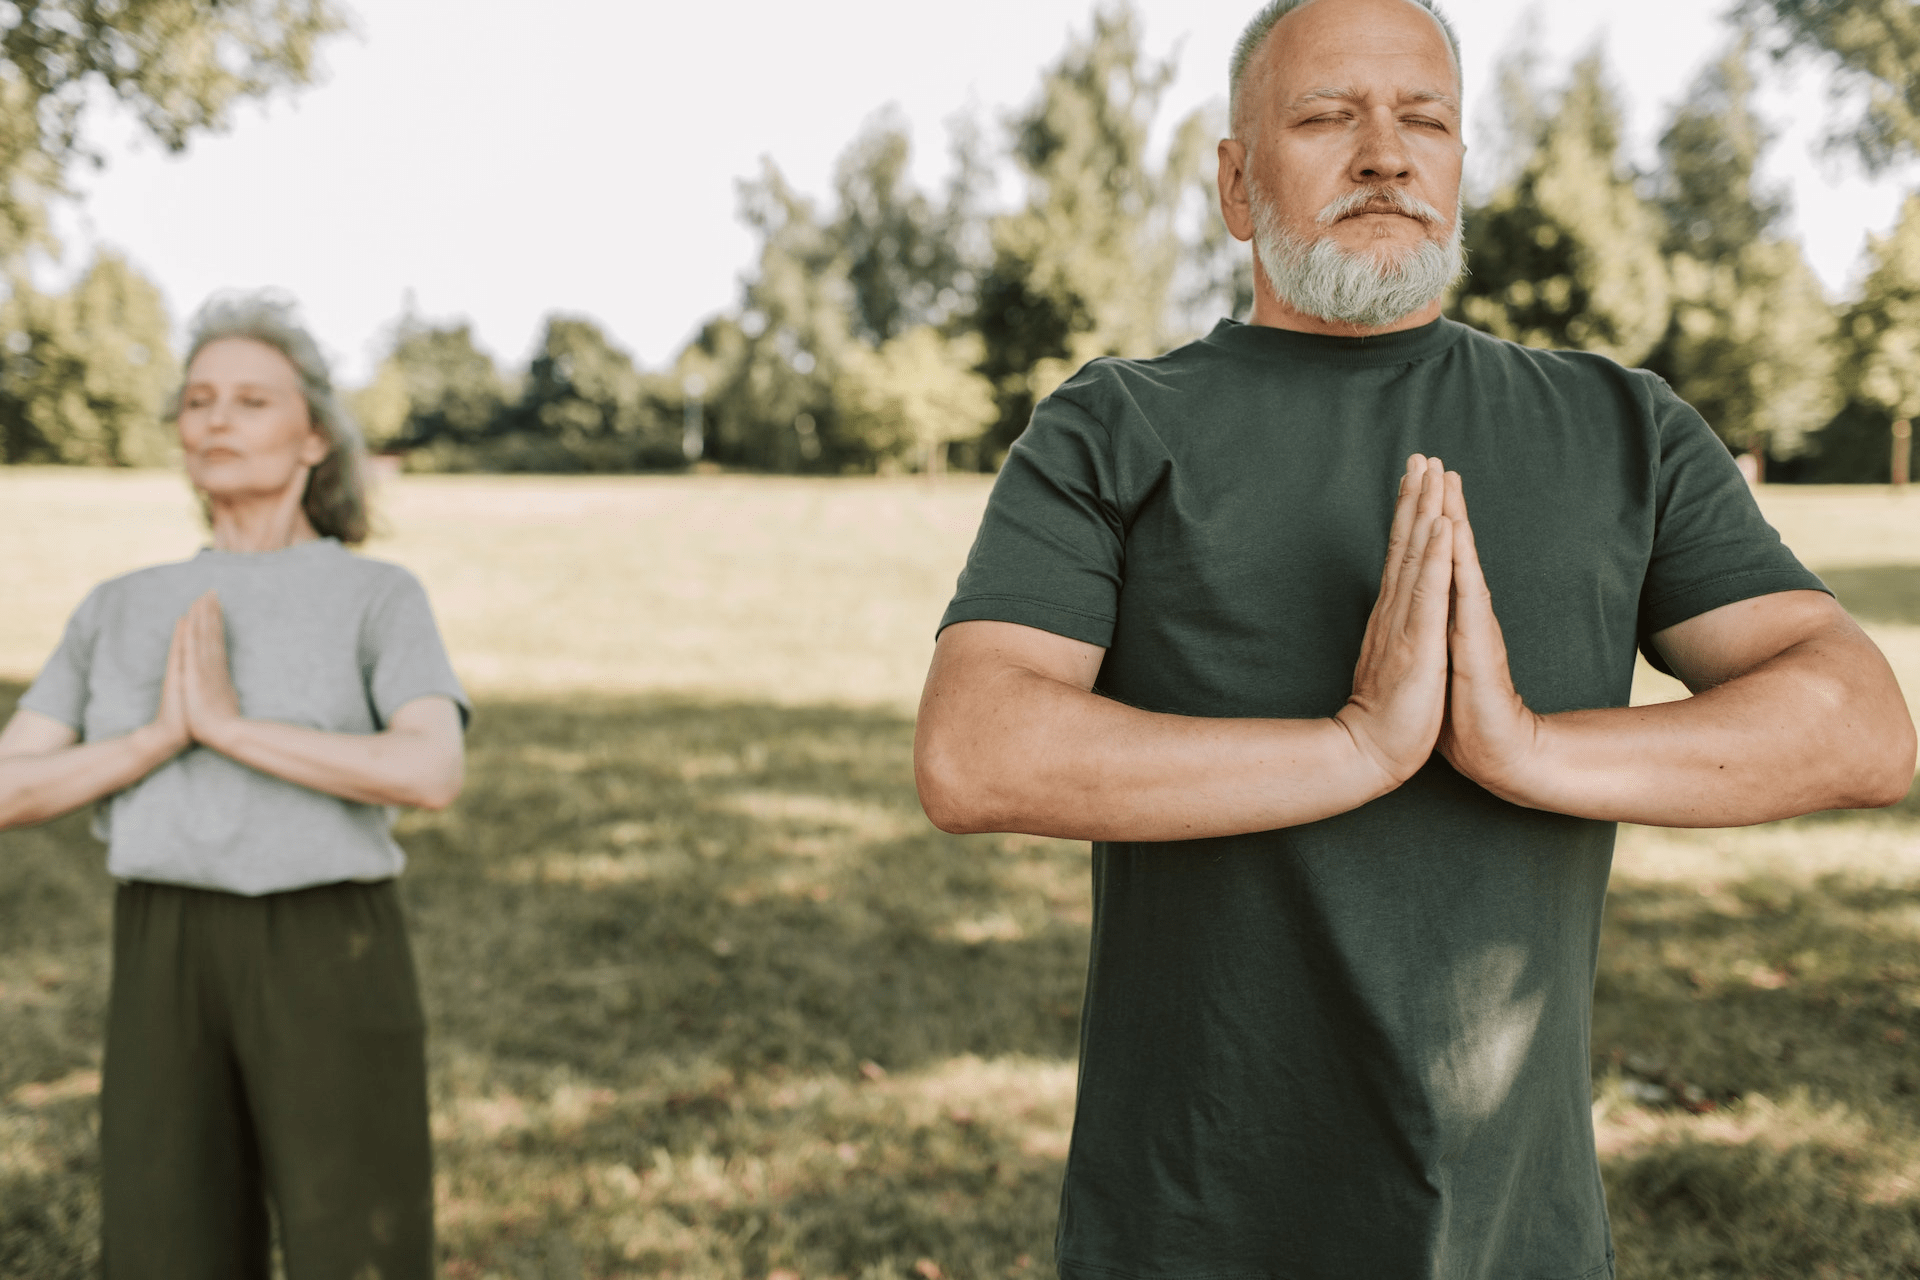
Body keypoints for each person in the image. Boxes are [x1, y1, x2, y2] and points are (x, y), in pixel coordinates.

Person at [912, 0, 1917, 1275]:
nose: (1385, 153)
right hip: (1191, 1232)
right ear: (1235, 180)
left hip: (1523, 1234)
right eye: (1328, 116)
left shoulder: (1622, 426)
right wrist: (1354, 747)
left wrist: (1523, 745)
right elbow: (976, 749)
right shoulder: (1113, 425)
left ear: (1456, 169)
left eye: (1425, 121)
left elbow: (1860, 725)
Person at [0, 293, 469, 1278]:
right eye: (199, 398)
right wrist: (163, 737)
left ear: (313, 441)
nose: (217, 418)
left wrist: (235, 729)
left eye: (252, 400)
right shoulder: (117, 605)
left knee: (360, 1239)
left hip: (329, 942)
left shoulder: (376, 595)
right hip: (163, 942)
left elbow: (430, 768)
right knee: (166, 1239)